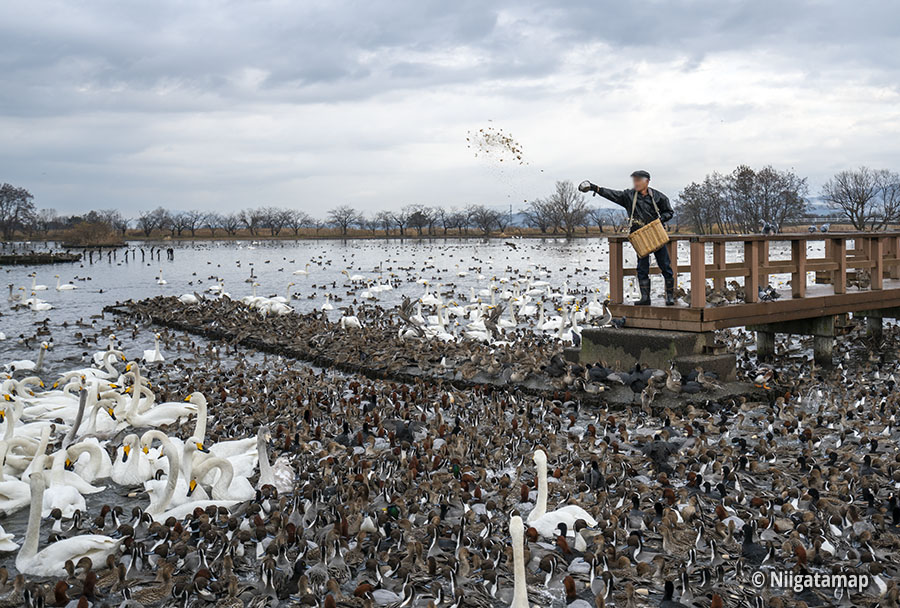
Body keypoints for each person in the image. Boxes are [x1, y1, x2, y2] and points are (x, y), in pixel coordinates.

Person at [579, 170, 675, 306]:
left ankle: (670, 297)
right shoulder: (628, 196)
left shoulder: (658, 197)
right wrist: (595, 188)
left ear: (647, 181)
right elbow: (612, 194)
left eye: (638, 180)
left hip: (656, 234)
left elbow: (669, 212)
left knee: (665, 265)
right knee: (642, 267)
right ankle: (645, 298)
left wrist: (661, 219)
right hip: (639, 236)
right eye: (634, 180)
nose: (635, 183)